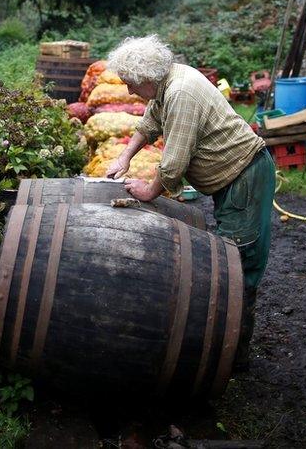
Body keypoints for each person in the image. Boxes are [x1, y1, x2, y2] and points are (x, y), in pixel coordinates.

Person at [104, 34, 276, 370]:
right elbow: (150, 122)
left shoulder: (181, 92)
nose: (129, 92)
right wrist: (124, 157)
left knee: (240, 264)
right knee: (231, 257)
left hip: (245, 176)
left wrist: (150, 191)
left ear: (147, 78)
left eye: (131, 85)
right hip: (232, 179)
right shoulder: (169, 80)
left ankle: (232, 358)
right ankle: (227, 343)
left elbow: (174, 161)